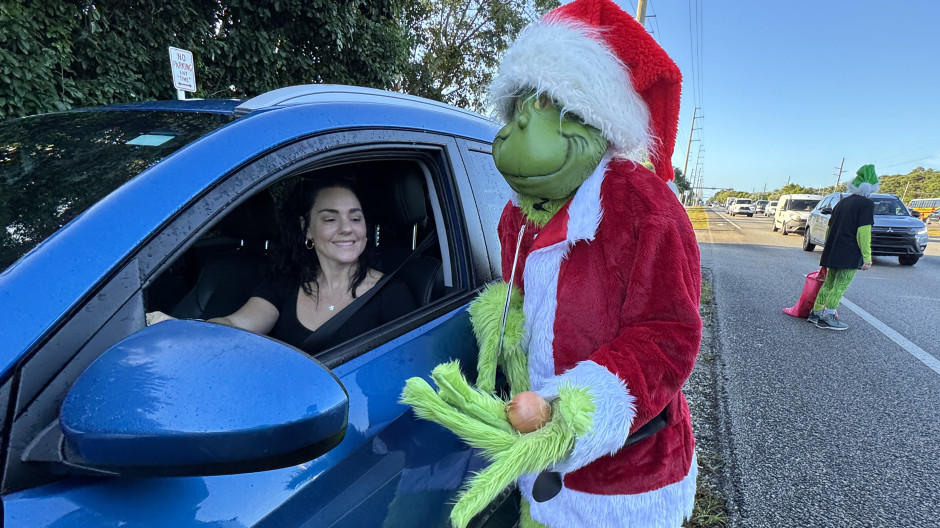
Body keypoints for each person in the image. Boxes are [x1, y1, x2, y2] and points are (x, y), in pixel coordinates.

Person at [147, 177, 416, 351]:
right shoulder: (287, 282)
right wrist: (185, 329)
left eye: (355, 218)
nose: (347, 229)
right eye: (330, 219)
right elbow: (237, 323)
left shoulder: (392, 296)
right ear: (306, 229)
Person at [808, 164, 878, 331]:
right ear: (870, 187)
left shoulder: (842, 203)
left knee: (829, 283)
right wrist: (867, 256)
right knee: (841, 284)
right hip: (850, 251)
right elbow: (864, 231)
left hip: (833, 249)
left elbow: (830, 227)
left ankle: (815, 313)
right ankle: (828, 316)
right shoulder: (866, 204)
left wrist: (827, 247)